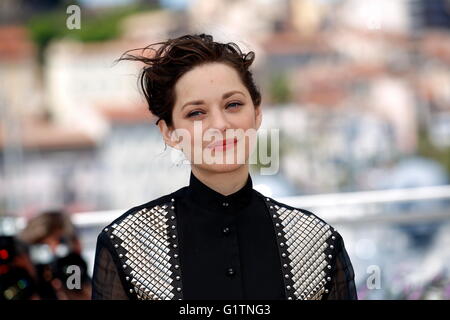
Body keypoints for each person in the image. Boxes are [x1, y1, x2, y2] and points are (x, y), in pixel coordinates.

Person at [91, 33, 357, 300]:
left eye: (233, 105)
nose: (220, 125)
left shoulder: (317, 243)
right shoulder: (128, 245)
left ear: (256, 114)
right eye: (196, 113)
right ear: (169, 132)